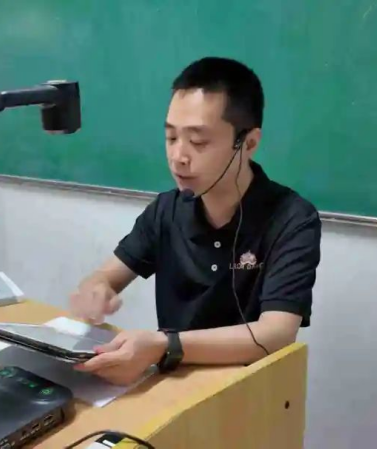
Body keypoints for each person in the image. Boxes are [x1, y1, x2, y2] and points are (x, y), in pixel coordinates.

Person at [69, 57, 322, 386]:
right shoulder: (166, 210)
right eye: (171, 138)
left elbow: (275, 333)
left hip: (252, 392)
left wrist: (164, 345)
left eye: (198, 142)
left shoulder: (292, 218)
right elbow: (106, 276)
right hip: (173, 386)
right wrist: (96, 289)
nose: (178, 157)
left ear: (248, 143)